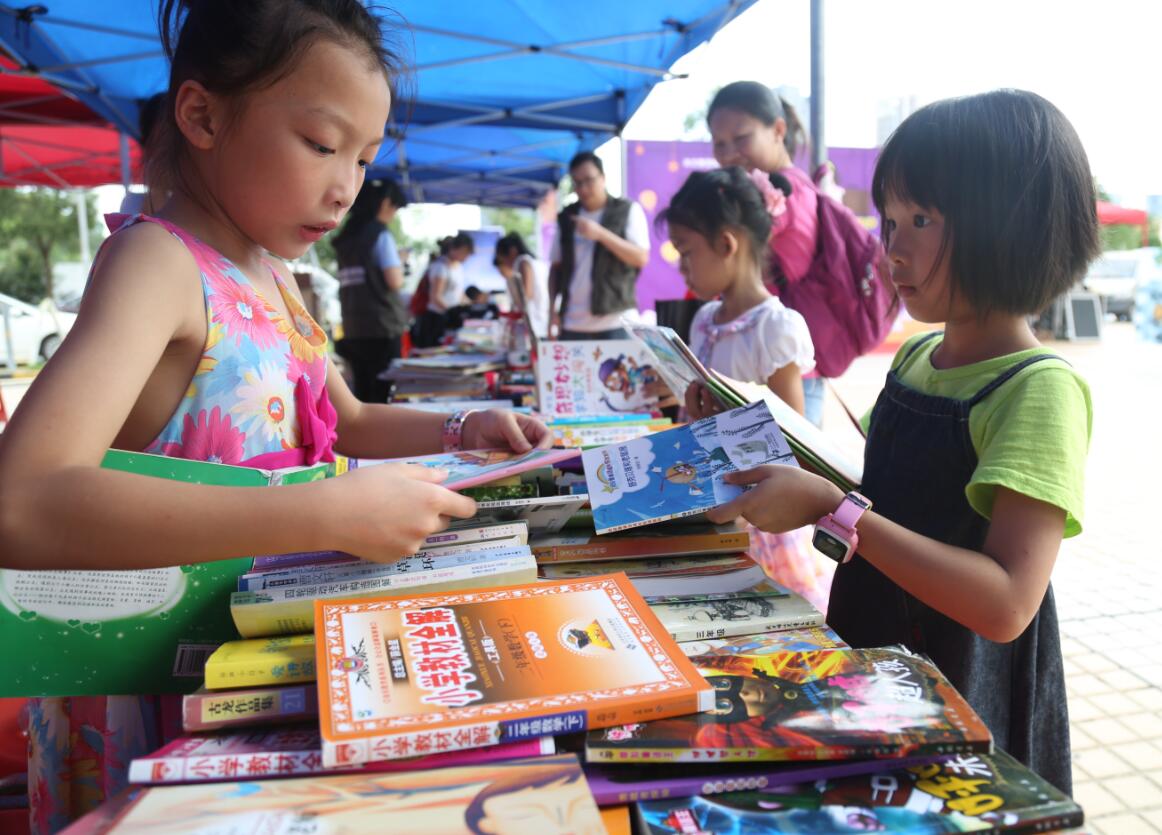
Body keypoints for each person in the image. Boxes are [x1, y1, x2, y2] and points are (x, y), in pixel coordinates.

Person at [0, 2, 549, 829]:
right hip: (150, 689)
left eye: (364, 159)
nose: (345, 187)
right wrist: (320, 509)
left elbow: (347, 417)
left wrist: (460, 427)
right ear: (202, 115)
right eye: (322, 146)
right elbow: (22, 500)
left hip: (245, 669)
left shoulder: (271, 274)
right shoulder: (158, 263)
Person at [701, 89, 1099, 795]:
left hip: (962, 692)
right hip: (874, 658)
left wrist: (835, 509)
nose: (892, 246)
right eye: (888, 220)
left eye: (921, 219)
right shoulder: (918, 358)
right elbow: (891, 495)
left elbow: (1007, 602)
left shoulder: (1036, 388)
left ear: (1010, 225)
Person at [668, 167, 827, 609]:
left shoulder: (775, 328)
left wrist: (724, 422)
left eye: (686, 252)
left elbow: (793, 443)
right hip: (710, 499)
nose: (681, 266)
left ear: (726, 244)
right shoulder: (703, 320)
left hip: (759, 514)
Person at [705, 82, 828, 425]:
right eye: (719, 143)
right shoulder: (774, 188)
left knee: (787, 467)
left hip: (782, 370)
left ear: (777, 130)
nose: (729, 153)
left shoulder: (781, 194)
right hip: (760, 363)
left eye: (741, 138)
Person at [548, 151, 649, 340]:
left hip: (618, 320)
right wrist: (551, 312)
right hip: (572, 322)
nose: (583, 188)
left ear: (603, 178)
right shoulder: (566, 217)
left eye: (589, 180)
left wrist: (601, 234)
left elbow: (640, 258)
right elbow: (556, 268)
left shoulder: (627, 210)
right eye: (577, 183)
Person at [333, 177, 408, 403]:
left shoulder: (345, 238)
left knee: (363, 393)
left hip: (354, 326)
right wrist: (400, 262)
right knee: (384, 393)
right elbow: (394, 281)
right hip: (382, 327)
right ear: (385, 203)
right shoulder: (380, 235)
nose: (393, 214)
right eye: (394, 208)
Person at [412, 232, 473, 348]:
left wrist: (470, 306)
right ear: (459, 249)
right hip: (436, 319)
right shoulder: (440, 267)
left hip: (450, 318)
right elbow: (435, 297)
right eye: (466, 252)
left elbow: (458, 293)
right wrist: (451, 311)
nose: (467, 256)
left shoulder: (458, 267)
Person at [494, 232, 549, 338]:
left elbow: (526, 295)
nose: (503, 262)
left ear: (512, 251)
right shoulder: (532, 262)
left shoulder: (523, 262)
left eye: (502, 257)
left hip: (536, 323)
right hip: (540, 322)